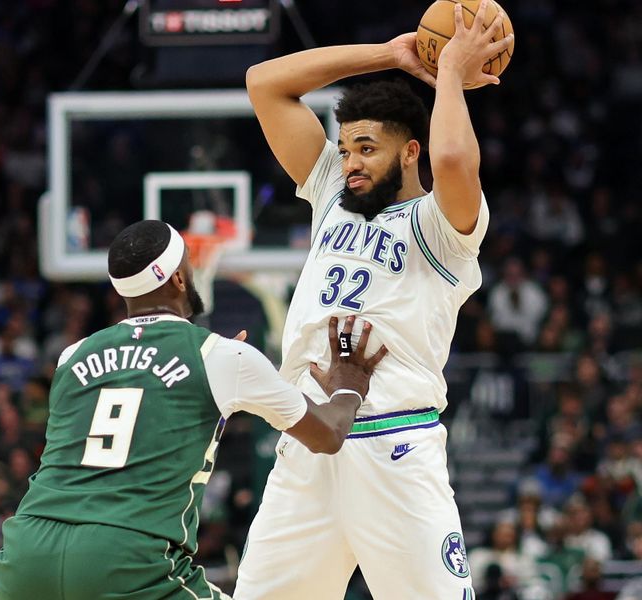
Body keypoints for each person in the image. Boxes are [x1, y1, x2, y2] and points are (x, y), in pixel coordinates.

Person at [236, 1, 513, 598]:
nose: (351, 163)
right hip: (309, 439)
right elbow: (265, 84)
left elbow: (456, 158)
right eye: (345, 149)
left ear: (410, 152)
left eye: (367, 148)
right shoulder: (332, 193)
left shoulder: (443, 226)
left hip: (395, 444)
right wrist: (390, 55)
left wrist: (448, 78)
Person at [0, 220, 386, 599]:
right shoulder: (222, 357)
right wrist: (347, 387)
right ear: (179, 278)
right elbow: (329, 434)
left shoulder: (72, 355)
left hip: (28, 554)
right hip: (123, 556)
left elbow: (137, 399)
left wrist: (223, 365)